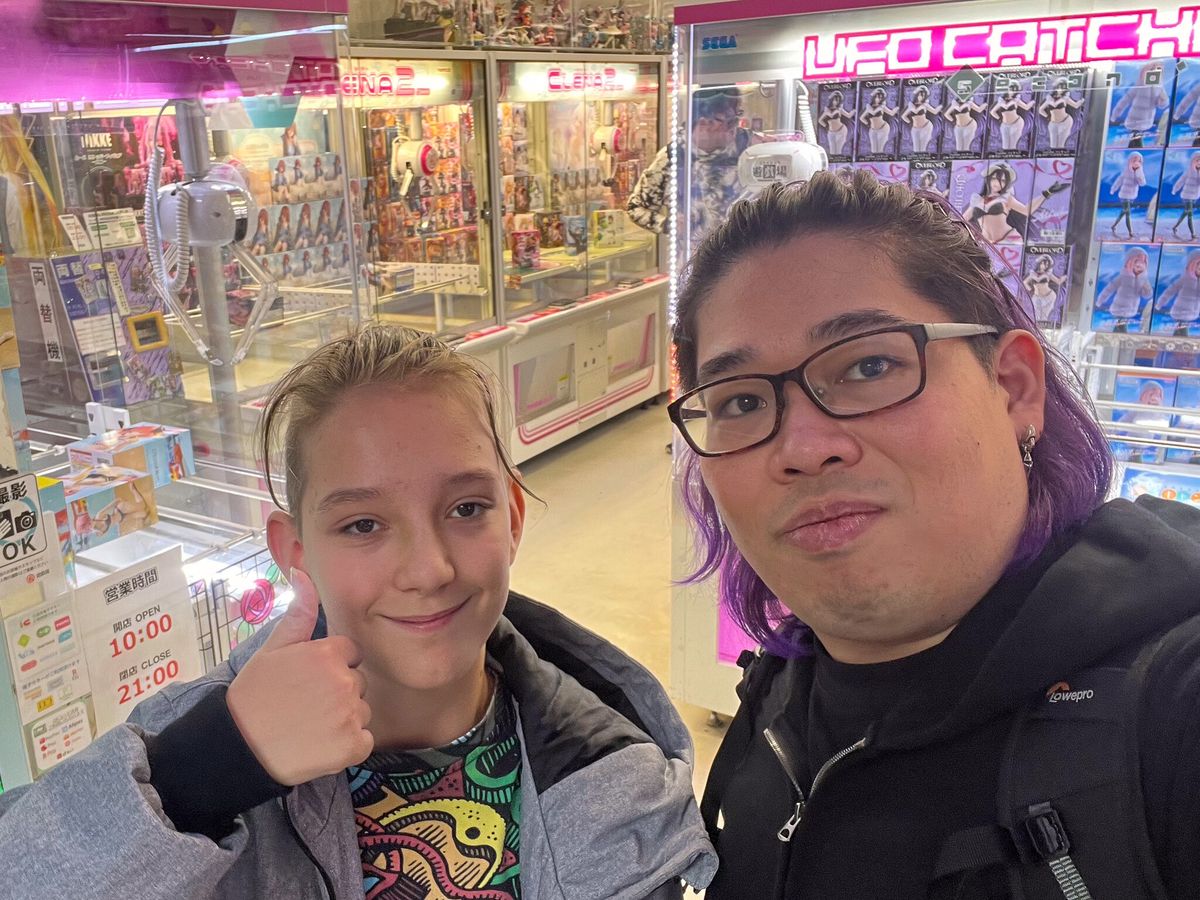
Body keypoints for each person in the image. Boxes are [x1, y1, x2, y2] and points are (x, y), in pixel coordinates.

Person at [0, 325, 716, 898]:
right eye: (363, 525)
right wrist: (206, 771)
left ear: (514, 519)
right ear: (295, 550)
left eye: (467, 509)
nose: (429, 570)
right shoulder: (179, 753)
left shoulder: (614, 778)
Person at [668, 170, 1200, 898]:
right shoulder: (778, 691)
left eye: (869, 365)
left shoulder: (1171, 710)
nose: (802, 448)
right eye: (740, 402)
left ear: (1014, 387)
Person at [626, 86, 751, 247]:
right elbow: (635, 207)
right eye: (729, 121)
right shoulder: (673, 157)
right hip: (693, 257)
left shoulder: (747, 149)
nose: (735, 128)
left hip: (741, 254)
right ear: (705, 122)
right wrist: (668, 224)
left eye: (736, 118)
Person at [1111, 63, 1171, 148]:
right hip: (1135, 119)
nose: (1155, 72)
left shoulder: (1159, 87)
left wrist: (1164, 98)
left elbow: (1162, 105)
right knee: (1136, 139)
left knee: (1136, 140)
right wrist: (1115, 114)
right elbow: (1125, 100)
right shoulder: (1139, 86)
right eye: (1152, 70)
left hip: (1147, 121)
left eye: (1159, 70)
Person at [1097, 245, 1153, 332]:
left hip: (1131, 309)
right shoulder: (1123, 277)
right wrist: (1100, 300)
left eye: (1142, 264)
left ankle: (1117, 335)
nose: (1139, 266)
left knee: (1121, 325)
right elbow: (1109, 288)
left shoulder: (1142, 280)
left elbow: (1147, 295)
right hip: (1119, 308)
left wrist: (1145, 282)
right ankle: (1117, 335)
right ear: (1129, 263)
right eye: (1136, 263)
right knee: (1121, 325)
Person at [1157, 249, 1200, 335]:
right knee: (1182, 329)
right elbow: (1170, 291)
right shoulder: (1184, 279)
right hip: (1180, 310)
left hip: (1193, 311)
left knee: (1180, 330)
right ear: (1192, 266)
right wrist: (1160, 303)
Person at [1037, 77, 1083, 151]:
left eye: (1063, 88)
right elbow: (1040, 110)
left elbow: (1075, 105)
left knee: (1060, 145)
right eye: (1059, 87)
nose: (1061, 89)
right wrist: (1048, 117)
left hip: (1065, 121)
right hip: (1053, 123)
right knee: (1053, 145)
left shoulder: (1065, 98)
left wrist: (1082, 100)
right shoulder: (1049, 98)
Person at [1110, 150, 1147, 238]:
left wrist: (1138, 173)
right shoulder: (1126, 171)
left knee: (1123, 212)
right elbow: (1119, 181)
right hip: (1124, 195)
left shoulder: (1140, 171)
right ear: (1129, 161)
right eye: (1134, 160)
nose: (1136, 162)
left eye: (1138, 161)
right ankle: (1130, 232)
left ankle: (1113, 225)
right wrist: (1113, 189)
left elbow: (1142, 183)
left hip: (1132, 196)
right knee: (1128, 212)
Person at [1022, 253, 1066, 323]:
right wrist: (1030, 289)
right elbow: (1024, 282)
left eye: (1047, 264)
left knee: (1045, 316)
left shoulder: (1048, 274)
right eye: (1043, 263)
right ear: (1039, 263)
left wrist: (1066, 276)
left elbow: (1058, 281)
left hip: (1049, 296)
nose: (1045, 266)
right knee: (1036, 314)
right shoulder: (1032, 273)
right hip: (1036, 296)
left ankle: (1044, 328)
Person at [900, 86, 941, 154]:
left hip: (926, 127)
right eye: (920, 95)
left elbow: (934, 111)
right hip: (915, 128)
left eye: (923, 96)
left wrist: (941, 106)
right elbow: (903, 116)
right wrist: (910, 123)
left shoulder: (925, 104)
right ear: (916, 95)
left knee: (923, 148)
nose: (921, 97)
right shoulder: (911, 105)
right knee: (916, 148)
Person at [1171, 151, 1200, 239]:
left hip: (1195, 196)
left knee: (1186, 212)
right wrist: (1175, 189)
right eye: (1197, 160)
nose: (1199, 162)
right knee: (1190, 214)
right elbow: (1181, 181)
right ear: (1192, 161)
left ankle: (1175, 226)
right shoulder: (1188, 171)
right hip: (1187, 196)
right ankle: (1193, 234)